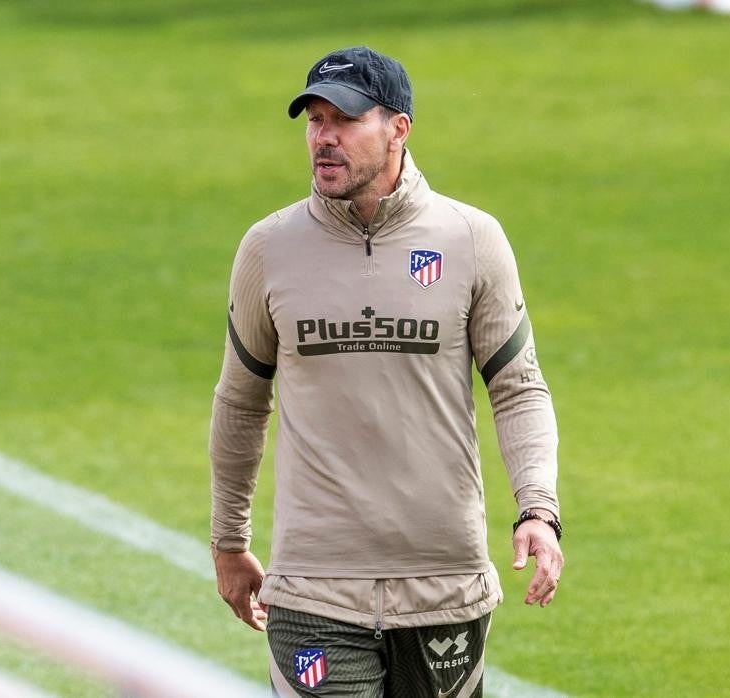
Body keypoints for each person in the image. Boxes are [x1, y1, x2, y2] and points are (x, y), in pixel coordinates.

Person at [209, 46, 564, 697]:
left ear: (398, 128)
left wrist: (538, 508)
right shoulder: (270, 247)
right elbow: (240, 401)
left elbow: (517, 388)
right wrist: (229, 540)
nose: (324, 138)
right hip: (313, 589)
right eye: (314, 120)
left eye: (344, 120)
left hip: (444, 587)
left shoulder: (470, 239)